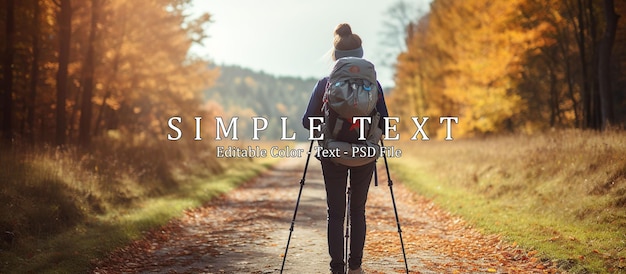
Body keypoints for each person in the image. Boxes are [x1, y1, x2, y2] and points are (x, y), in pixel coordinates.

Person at [301, 23, 389, 274]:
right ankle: (356, 266)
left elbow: (308, 121)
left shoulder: (324, 84)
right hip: (365, 155)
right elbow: (385, 121)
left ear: (335, 56)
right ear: (361, 55)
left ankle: (336, 268)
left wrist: (326, 127)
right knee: (358, 211)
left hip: (333, 155)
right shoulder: (375, 85)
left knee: (336, 213)